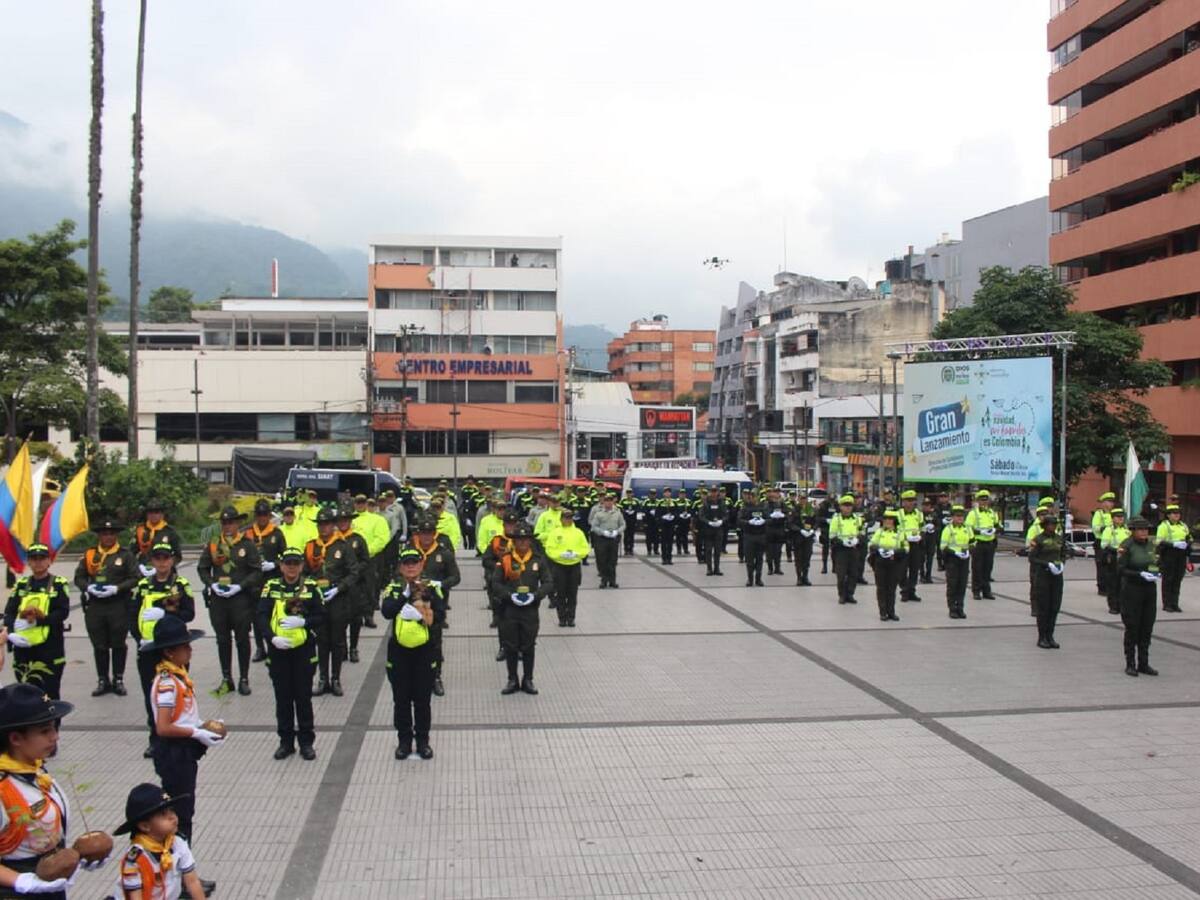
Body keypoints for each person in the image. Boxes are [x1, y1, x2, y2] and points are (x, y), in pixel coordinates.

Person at [144, 616, 224, 894]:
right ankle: (181, 879)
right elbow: (164, 727)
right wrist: (195, 733)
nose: (190, 650)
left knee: (183, 815)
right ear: (169, 651)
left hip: (183, 752)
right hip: (174, 754)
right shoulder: (167, 682)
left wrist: (202, 728)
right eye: (184, 646)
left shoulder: (176, 675)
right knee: (179, 817)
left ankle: (184, 873)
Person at [0, 685, 103, 898]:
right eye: (44, 731)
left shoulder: (37, 772)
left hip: (51, 885)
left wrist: (76, 857)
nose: (55, 737)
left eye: (55, 728)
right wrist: (21, 881)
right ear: (16, 739)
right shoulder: (3, 788)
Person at [131, 543, 197, 760]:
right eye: (157, 558)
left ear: (172, 560)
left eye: (166, 558)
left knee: (177, 693)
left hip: (173, 649)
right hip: (149, 648)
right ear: (152, 561)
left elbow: (189, 614)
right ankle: (156, 739)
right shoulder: (142, 585)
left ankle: (178, 733)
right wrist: (139, 638)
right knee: (152, 695)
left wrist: (166, 614)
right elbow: (132, 615)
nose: (162, 562)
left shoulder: (180, 584)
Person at [258, 547, 322, 761]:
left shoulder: (311, 587)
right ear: (281, 565)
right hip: (278, 651)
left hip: (303, 651)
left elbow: (322, 616)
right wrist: (271, 638)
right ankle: (286, 742)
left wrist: (304, 622)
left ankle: (306, 742)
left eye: (296, 563)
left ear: (302, 566)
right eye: (288, 563)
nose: (292, 568)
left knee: (303, 698)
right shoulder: (271, 586)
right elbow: (261, 616)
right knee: (283, 699)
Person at [196, 506, 261, 696]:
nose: (227, 526)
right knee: (222, 639)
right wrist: (211, 584)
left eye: (231, 522)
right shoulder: (214, 544)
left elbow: (256, 571)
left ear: (238, 523)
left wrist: (241, 586)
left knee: (242, 639)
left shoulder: (247, 545)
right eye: (224, 523)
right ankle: (227, 678)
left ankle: (243, 678)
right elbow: (202, 568)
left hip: (240, 599)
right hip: (219, 600)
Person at [380, 548, 437, 760]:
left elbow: (439, 615)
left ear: (421, 564)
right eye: (406, 563)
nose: (411, 566)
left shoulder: (431, 587)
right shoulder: (394, 588)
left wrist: (422, 615)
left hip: (424, 652)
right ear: (401, 567)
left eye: (414, 562)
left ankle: (423, 741)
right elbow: (387, 611)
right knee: (401, 700)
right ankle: (404, 741)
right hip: (399, 653)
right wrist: (404, 596)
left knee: (423, 700)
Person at [73, 517, 138, 697]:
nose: (108, 537)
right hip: (96, 606)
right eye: (104, 534)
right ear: (99, 536)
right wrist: (88, 587)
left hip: (118, 604)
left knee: (118, 643)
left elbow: (135, 577)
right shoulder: (90, 554)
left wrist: (117, 588)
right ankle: (103, 679)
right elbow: (79, 577)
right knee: (99, 644)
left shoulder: (125, 555)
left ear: (116, 536)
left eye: (111, 534)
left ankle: (118, 678)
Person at [115, 782, 206, 900]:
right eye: (163, 814)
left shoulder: (178, 843)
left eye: (171, 810)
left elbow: (192, 881)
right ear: (145, 826)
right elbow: (135, 897)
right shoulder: (136, 859)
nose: (172, 817)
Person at [490, 524, 552, 696]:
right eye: (519, 540)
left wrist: (536, 595)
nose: (523, 543)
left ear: (530, 541)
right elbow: (495, 583)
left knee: (528, 646)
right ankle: (512, 679)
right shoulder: (505, 559)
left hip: (530, 610)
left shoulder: (538, 560)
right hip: (510, 610)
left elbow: (548, 582)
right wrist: (510, 596)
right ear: (514, 542)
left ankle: (528, 679)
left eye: (526, 539)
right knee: (510, 646)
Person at [304, 509, 359, 697]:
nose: (323, 527)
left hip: (338, 599)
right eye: (320, 524)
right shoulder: (312, 546)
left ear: (333, 525)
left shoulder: (342, 547)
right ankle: (322, 678)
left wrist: (339, 588)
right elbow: (304, 572)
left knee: (336, 641)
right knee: (321, 641)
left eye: (327, 524)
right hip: (318, 600)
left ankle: (335, 678)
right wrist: (312, 588)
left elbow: (354, 572)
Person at [4, 544, 69, 700]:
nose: (38, 562)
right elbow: (10, 611)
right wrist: (12, 633)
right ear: (29, 562)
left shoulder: (59, 583)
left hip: (49, 649)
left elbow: (62, 612)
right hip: (24, 650)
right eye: (34, 559)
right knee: (26, 694)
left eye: (42, 558)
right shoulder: (21, 584)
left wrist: (38, 622)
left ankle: (52, 725)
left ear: (49, 561)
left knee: (50, 694)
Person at [406, 516, 460, 698]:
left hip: (435, 606)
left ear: (434, 533)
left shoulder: (443, 553)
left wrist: (440, 584)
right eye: (423, 533)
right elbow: (397, 573)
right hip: (412, 606)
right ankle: (415, 676)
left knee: (434, 643)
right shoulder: (410, 551)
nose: (426, 537)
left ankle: (436, 677)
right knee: (412, 640)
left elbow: (455, 577)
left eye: (430, 533)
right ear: (418, 534)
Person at [244, 499, 287, 664]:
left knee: (271, 614)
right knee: (256, 616)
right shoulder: (248, 533)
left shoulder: (277, 533)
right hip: (254, 581)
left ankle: (272, 646)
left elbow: (285, 556)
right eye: (259, 515)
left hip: (271, 579)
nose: (262, 518)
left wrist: (273, 564)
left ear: (269, 516)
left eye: (265, 515)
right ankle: (260, 647)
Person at [1118, 516, 1161, 677]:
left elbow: (1155, 562)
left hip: (1149, 589)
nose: (1144, 532)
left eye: (1146, 529)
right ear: (1133, 531)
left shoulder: (1151, 544)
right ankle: (1130, 663)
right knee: (1133, 627)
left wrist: (1156, 572)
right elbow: (1121, 569)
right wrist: (1139, 574)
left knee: (1147, 626)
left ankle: (1144, 662)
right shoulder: (1127, 546)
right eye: (1141, 529)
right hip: (1132, 590)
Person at [335, 507, 370, 685]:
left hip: (356, 585)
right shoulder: (333, 541)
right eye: (340, 520)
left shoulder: (357, 539)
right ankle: (342, 647)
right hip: (339, 586)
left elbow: (366, 559)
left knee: (356, 618)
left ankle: (354, 648)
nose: (343, 523)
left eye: (345, 520)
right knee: (339, 618)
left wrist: (356, 571)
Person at [545, 509, 590, 627]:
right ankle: (562, 618)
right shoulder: (555, 533)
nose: (568, 520)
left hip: (574, 565)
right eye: (565, 518)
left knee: (572, 594)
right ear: (561, 519)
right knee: (560, 593)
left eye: (570, 518)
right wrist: (560, 554)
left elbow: (585, 548)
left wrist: (577, 554)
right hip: (559, 566)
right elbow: (549, 549)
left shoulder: (578, 532)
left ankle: (571, 618)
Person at [1029, 514, 1067, 648]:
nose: (1053, 527)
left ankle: (1050, 635)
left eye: (1054, 524)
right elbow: (1032, 558)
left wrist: (1062, 563)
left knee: (1054, 607)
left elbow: (1063, 553)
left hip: (1057, 576)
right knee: (1043, 607)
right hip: (1043, 576)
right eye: (1050, 524)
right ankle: (1042, 637)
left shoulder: (1059, 539)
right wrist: (1047, 564)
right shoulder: (1038, 540)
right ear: (1044, 526)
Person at [868, 510, 906, 622]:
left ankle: (891, 612)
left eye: (890, 519)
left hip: (894, 563)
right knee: (881, 588)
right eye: (886, 519)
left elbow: (905, 548)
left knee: (892, 588)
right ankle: (883, 612)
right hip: (880, 563)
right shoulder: (879, 532)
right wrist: (879, 550)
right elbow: (872, 545)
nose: (888, 521)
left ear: (895, 521)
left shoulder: (899, 533)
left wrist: (894, 552)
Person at [965, 490, 1001, 600]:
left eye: (986, 500)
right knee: (977, 568)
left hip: (990, 543)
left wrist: (995, 529)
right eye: (982, 500)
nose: (984, 502)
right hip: (978, 544)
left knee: (988, 568)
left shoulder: (992, 513)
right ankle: (976, 591)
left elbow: (998, 526)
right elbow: (968, 528)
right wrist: (980, 532)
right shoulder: (973, 513)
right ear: (978, 501)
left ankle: (986, 591)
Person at [1155, 503, 1191, 612]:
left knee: (1177, 579)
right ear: (1168, 515)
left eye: (1178, 513)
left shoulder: (1183, 525)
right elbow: (1159, 541)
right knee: (1168, 579)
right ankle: (1167, 604)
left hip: (1181, 554)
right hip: (1169, 554)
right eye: (1174, 513)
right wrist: (1173, 544)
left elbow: (1189, 537)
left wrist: (1187, 543)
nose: (1176, 515)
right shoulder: (1164, 526)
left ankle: (1175, 603)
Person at [940, 506, 973, 620]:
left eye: (961, 516)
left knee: (962, 585)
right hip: (952, 560)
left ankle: (960, 608)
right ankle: (952, 609)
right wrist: (955, 553)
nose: (960, 518)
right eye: (957, 516)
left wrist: (969, 551)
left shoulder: (967, 529)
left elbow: (973, 542)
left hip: (964, 559)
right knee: (952, 585)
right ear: (953, 517)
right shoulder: (948, 530)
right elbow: (943, 547)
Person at [828, 495, 861, 605]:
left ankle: (850, 594)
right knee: (841, 574)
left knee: (853, 573)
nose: (847, 508)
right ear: (841, 507)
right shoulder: (836, 519)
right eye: (845, 506)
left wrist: (858, 539)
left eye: (849, 506)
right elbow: (832, 535)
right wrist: (842, 542)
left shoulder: (857, 518)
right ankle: (842, 595)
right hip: (841, 550)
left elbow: (861, 532)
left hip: (853, 549)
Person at [588, 492, 625, 589]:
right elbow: (594, 526)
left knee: (612, 561)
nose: (608, 503)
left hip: (613, 538)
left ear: (613, 502)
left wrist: (617, 532)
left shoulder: (618, 513)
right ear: (603, 503)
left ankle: (612, 581)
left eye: (610, 501)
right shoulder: (598, 513)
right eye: (606, 501)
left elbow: (623, 524)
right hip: (601, 539)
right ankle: (604, 580)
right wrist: (602, 532)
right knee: (602, 560)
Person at [134, 500, 182, 573]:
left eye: (156, 512)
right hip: (143, 568)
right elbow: (132, 552)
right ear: (147, 514)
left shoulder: (170, 531)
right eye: (150, 512)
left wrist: (165, 566)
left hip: (165, 570)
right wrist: (137, 566)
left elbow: (178, 555)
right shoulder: (140, 529)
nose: (153, 515)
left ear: (162, 514)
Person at [1099, 508, 1130, 615]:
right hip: (1113, 558)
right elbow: (1104, 545)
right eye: (1118, 517)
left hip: (1124, 558)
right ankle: (1113, 606)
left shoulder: (1126, 529)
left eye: (1122, 516)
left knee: (1123, 583)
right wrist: (1116, 549)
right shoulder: (1109, 530)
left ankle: (1122, 605)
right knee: (1113, 583)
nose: (1121, 518)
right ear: (1112, 519)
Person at [738, 489, 769, 587]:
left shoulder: (762, 508)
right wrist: (748, 522)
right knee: (749, 560)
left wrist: (764, 521)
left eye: (754, 496)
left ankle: (758, 579)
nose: (752, 498)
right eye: (751, 496)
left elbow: (770, 519)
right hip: (749, 536)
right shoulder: (745, 509)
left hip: (760, 536)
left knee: (759, 559)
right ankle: (750, 579)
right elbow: (739, 520)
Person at [1091, 491, 1116, 596]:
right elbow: (1095, 527)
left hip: (1111, 543)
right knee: (1101, 566)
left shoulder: (1114, 514)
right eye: (1109, 501)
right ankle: (1102, 587)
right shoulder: (1099, 514)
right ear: (1103, 503)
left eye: (1112, 502)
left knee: (1111, 566)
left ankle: (1111, 586)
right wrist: (1106, 528)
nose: (1111, 504)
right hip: (1100, 541)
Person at [698, 491, 727, 577]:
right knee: (708, 550)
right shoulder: (706, 503)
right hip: (708, 530)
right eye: (712, 492)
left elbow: (726, 515)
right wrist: (708, 522)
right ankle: (709, 568)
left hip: (718, 530)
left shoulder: (721, 503)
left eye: (715, 492)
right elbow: (701, 516)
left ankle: (717, 568)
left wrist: (721, 521)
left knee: (718, 551)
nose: (714, 494)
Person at [787, 505, 816, 586]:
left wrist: (813, 529)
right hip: (798, 538)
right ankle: (799, 578)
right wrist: (799, 530)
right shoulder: (795, 510)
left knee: (807, 558)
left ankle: (805, 577)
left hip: (808, 537)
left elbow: (816, 521)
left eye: (804, 499)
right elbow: (790, 523)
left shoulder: (811, 509)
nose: (803, 501)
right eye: (801, 499)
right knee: (798, 559)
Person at [763, 487, 789, 576]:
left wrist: (783, 515)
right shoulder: (765, 505)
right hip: (769, 530)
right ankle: (770, 568)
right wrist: (771, 517)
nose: (773, 498)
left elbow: (788, 513)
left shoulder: (781, 504)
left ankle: (777, 568)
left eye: (775, 496)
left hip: (779, 530)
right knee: (769, 551)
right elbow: (764, 516)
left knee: (778, 551)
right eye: (771, 497)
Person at [652, 488, 678, 565]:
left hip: (671, 525)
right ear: (663, 494)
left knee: (670, 543)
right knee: (663, 543)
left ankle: (669, 558)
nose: (667, 494)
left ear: (670, 494)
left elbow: (677, 513)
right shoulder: (660, 503)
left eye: (669, 492)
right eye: (666, 492)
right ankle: (664, 559)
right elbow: (657, 515)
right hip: (663, 526)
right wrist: (662, 518)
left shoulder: (674, 502)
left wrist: (673, 517)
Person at [919, 497, 938, 584]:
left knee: (930, 558)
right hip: (923, 538)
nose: (926, 507)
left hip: (931, 539)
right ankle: (922, 575)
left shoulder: (934, 514)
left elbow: (938, 526)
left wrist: (934, 528)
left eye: (928, 505)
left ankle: (928, 576)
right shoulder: (919, 515)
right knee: (921, 559)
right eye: (925, 505)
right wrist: (922, 528)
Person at [618, 490, 639, 556]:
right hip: (626, 520)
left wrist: (634, 511)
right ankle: (626, 549)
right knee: (626, 536)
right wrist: (625, 511)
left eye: (630, 493)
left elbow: (638, 508)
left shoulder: (636, 501)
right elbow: (620, 508)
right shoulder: (623, 500)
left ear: (632, 494)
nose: (629, 494)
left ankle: (631, 549)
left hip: (633, 520)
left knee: (631, 535)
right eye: (628, 493)